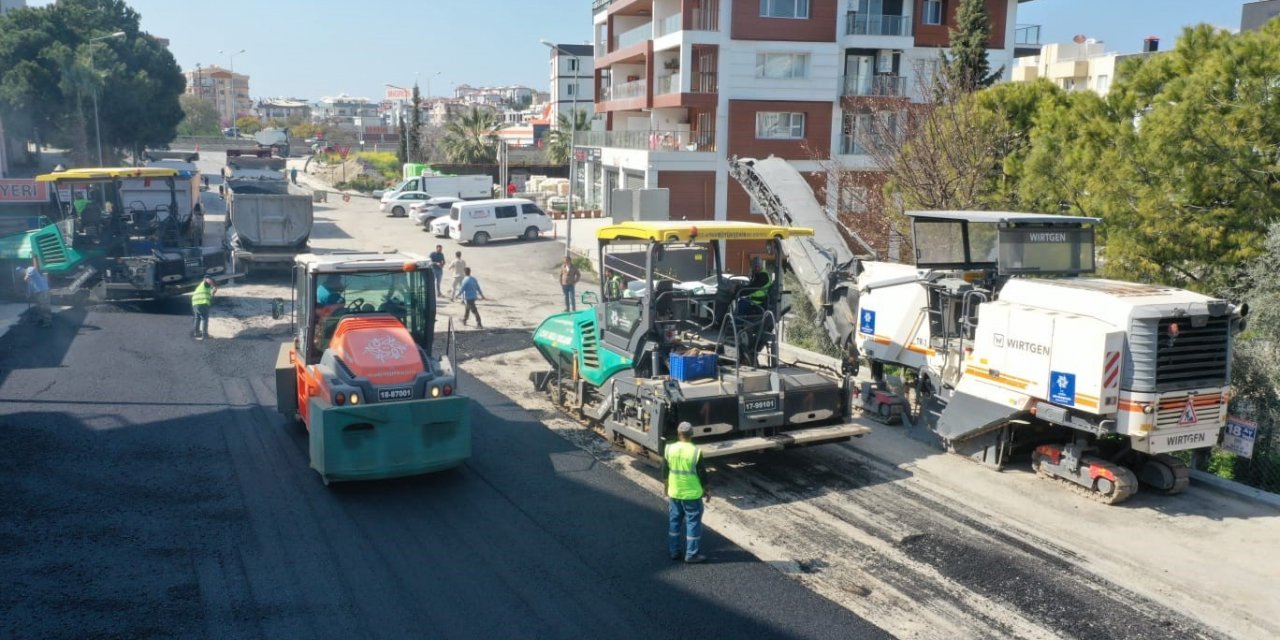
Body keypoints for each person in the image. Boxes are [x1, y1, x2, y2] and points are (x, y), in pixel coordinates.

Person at [664, 421, 708, 563]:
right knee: (693, 523)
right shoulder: (695, 452)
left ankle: (674, 551)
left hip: (674, 492)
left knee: (674, 522)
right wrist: (706, 489)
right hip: (691, 494)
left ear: (678, 433)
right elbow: (702, 474)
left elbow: (665, 471)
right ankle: (691, 554)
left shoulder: (669, 449)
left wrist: (666, 487)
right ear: (691, 434)